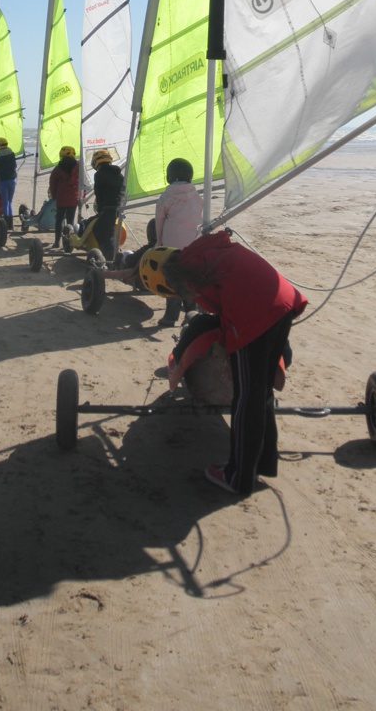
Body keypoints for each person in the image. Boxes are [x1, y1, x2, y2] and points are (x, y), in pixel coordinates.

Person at [150, 231, 308, 496]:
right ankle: (263, 462)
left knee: (247, 397)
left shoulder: (193, 275)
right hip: (284, 302)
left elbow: (219, 311)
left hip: (257, 313)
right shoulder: (207, 254)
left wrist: (226, 343)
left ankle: (237, 476)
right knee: (262, 391)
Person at [154, 157, 203, 327]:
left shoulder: (167, 196)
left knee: (173, 279)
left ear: (171, 176)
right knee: (188, 279)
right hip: (192, 246)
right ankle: (191, 313)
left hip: (171, 246)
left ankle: (170, 317)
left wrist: (159, 242)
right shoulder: (196, 196)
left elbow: (159, 221)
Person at [91, 149, 124, 261]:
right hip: (118, 207)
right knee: (107, 229)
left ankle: (110, 255)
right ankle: (111, 252)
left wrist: (101, 208)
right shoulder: (119, 174)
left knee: (100, 230)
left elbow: (98, 193)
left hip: (108, 207)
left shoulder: (99, 174)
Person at [49, 145, 80, 248]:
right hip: (73, 198)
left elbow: (52, 184)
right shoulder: (78, 167)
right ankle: (69, 243)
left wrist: (54, 196)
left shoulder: (58, 169)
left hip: (61, 198)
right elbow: (82, 182)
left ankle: (57, 242)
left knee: (59, 220)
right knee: (70, 220)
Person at [0, 137, 17, 229]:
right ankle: (11, 225)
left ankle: (6, 224)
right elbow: (14, 166)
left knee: (5, 202)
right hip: (12, 180)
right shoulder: (12, 154)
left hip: (3, 181)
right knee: (10, 202)